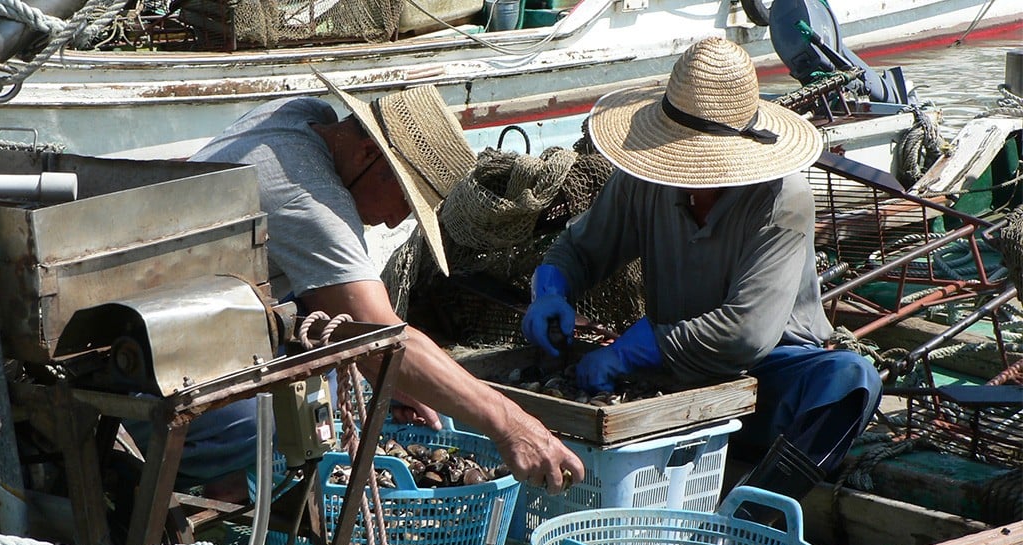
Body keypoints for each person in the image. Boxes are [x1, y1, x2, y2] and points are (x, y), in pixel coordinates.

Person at [521, 37, 882, 515]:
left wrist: (636, 348)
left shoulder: (783, 198)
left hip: (762, 377)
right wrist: (552, 289)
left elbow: (746, 335)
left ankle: (753, 514)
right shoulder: (643, 175)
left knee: (852, 379)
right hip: (670, 373)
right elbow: (581, 248)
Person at [186, 77, 585, 495]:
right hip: (168, 390)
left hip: (176, 322)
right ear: (368, 153)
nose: (396, 222)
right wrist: (512, 424)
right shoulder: (313, 205)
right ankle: (229, 496)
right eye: (405, 202)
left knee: (367, 381)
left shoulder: (300, 116)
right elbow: (379, 342)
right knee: (327, 409)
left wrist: (394, 381)